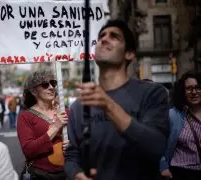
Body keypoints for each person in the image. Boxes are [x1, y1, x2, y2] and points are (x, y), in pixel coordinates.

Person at [64, 19, 169, 180]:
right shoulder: (78, 107)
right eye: (101, 37)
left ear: (129, 54)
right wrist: (76, 174)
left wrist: (109, 106)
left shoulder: (152, 93)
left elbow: (156, 146)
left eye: (114, 37)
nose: (104, 40)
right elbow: (72, 156)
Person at [17, 69, 68, 180]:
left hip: (68, 173)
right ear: (33, 91)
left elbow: (83, 141)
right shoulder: (25, 116)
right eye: (45, 85)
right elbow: (29, 150)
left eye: (53, 83)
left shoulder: (65, 112)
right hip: (40, 175)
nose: (51, 87)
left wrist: (72, 146)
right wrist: (55, 127)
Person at [160, 71, 201, 180]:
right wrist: (163, 167)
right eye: (189, 89)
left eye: (198, 87)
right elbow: (157, 142)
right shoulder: (173, 115)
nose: (194, 92)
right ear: (182, 92)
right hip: (181, 173)